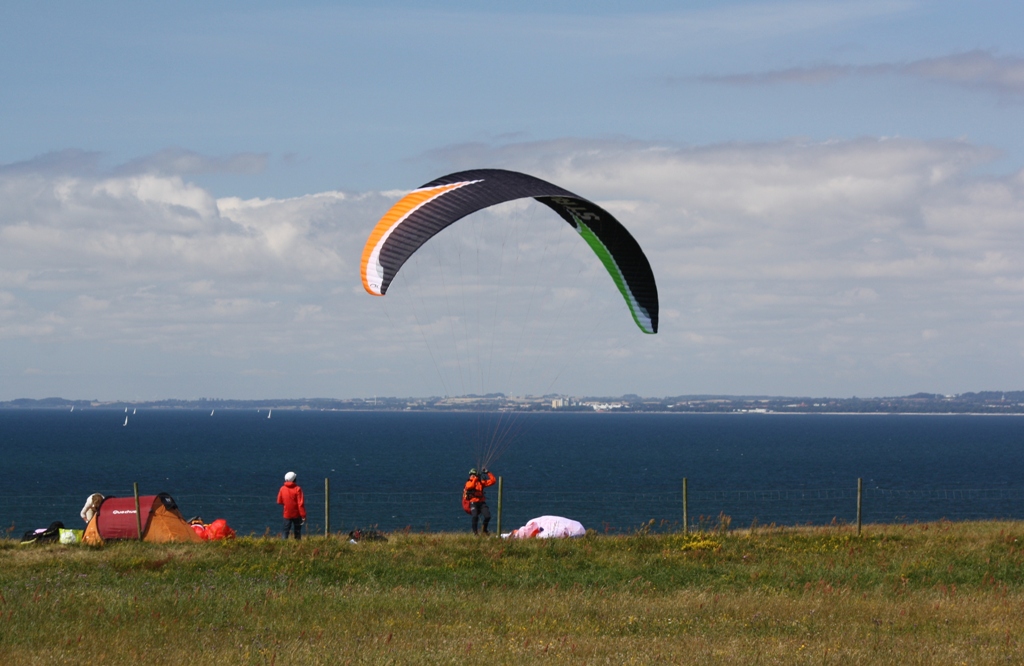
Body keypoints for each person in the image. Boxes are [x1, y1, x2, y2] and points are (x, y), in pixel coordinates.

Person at [463, 468, 496, 535]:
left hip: (481, 503)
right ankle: (475, 533)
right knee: (475, 516)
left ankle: (484, 530)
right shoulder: (468, 482)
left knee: (487, 516)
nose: (472, 476)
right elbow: (470, 486)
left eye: (473, 475)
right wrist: (475, 479)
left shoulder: (481, 483)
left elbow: (493, 481)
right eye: (471, 475)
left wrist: (488, 472)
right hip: (473, 503)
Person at [277, 471, 306, 540]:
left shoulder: (282, 488)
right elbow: (300, 504)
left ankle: (283, 545)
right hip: (297, 514)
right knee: (297, 531)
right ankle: (297, 545)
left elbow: (279, 501)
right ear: (294, 479)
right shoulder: (297, 489)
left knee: (285, 531)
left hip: (286, 514)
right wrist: (303, 515)